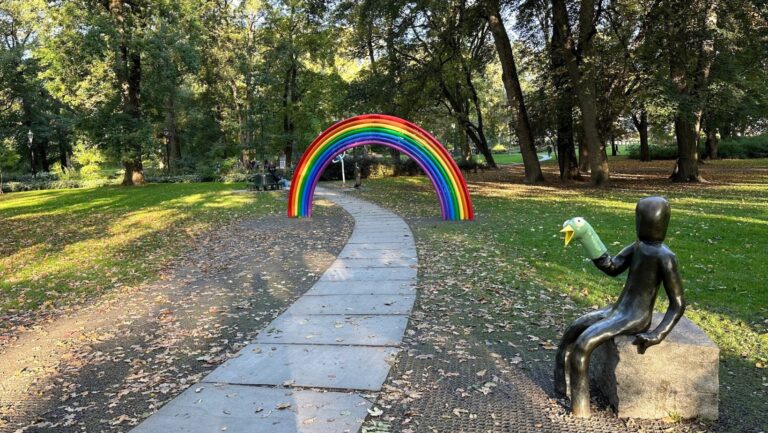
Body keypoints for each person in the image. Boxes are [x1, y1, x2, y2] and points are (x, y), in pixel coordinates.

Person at [554, 197, 685, 418]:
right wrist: (588, 237)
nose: (643, 225)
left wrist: (657, 334)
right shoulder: (637, 247)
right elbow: (612, 267)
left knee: (583, 345)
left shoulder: (665, 257)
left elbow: (678, 304)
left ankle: (581, 410)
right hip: (618, 310)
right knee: (573, 329)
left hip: (636, 316)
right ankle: (561, 388)